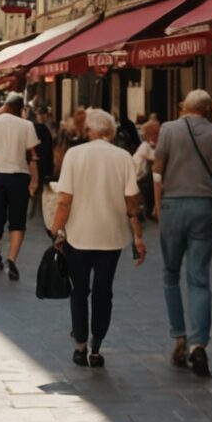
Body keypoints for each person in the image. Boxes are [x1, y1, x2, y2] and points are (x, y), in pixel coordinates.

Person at [52, 108, 146, 367]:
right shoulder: (122, 156)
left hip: (78, 235)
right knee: (104, 292)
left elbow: (64, 200)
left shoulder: (74, 154)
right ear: (111, 131)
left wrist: (56, 230)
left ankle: (80, 346)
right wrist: (137, 237)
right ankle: (96, 347)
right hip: (112, 237)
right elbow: (131, 203)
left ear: (91, 130)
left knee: (79, 291)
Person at [151, 89, 212, 378]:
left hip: (173, 205)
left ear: (185, 106)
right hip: (203, 207)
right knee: (199, 279)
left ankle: (180, 337)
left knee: (170, 274)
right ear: (208, 109)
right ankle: (200, 344)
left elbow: (157, 171)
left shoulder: (168, 129)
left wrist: (158, 207)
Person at [0, 93, 40, 280]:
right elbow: (32, 157)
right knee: (17, 221)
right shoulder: (27, 125)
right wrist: (34, 181)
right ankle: (12, 259)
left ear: (6, 105)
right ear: (21, 108)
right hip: (20, 178)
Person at [133, 118, 161, 221]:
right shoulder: (145, 146)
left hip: (141, 175)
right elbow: (156, 157)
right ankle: (150, 211)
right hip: (138, 176)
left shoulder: (149, 145)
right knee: (150, 185)